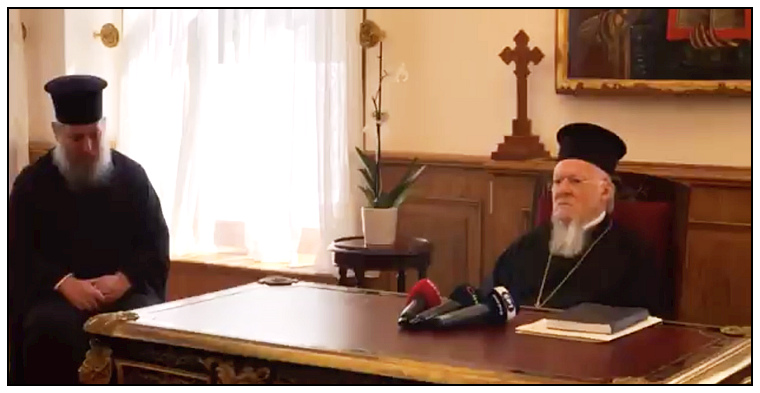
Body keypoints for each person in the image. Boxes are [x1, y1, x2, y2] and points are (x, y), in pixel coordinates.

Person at [8, 75, 170, 385]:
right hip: (56, 300)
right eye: (77, 139)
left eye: (95, 135)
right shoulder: (32, 184)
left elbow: (155, 243)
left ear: (104, 126)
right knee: (49, 328)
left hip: (123, 295)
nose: (90, 147)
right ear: (58, 133)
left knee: (140, 325)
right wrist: (63, 282)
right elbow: (16, 250)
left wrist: (125, 278)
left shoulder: (132, 178)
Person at [482, 123, 666, 317]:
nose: (562, 190)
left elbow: (644, 330)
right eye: (557, 181)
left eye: (575, 181)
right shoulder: (525, 247)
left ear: (604, 191)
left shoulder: (633, 256)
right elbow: (490, 301)